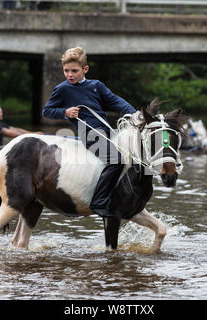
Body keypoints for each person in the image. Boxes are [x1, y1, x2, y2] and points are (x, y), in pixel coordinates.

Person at [42, 47, 136, 218]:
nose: (70, 75)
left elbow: (115, 101)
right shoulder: (62, 89)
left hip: (107, 132)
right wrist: (65, 112)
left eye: (74, 71)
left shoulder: (96, 86)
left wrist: (134, 113)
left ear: (85, 69)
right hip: (89, 135)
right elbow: (46, 111)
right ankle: (99, 202)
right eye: (66, 71)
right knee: (116, 161)